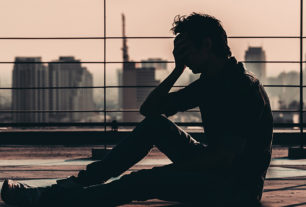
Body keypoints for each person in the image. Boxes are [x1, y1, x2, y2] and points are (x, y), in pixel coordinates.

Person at [1, 13, 273, 207]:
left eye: (186, 51)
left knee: (143, 180)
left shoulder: (241, 87)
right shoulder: (211, 82)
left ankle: (50, 199)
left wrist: (164, 174)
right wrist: (177, 69)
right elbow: (150, 111)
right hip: (217, 167)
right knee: (156, 126)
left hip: (236, 188)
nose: (182, 57)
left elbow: (225, 159)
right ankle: (80, 183)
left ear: (207, 45)